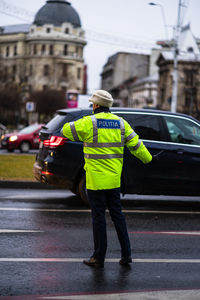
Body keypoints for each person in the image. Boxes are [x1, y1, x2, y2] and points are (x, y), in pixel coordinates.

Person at [61, 90, 152, 268]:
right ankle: (126, 255)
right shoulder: (121, 123)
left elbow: (66, 131)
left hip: (95, 182)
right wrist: (148, 158)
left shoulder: (89, 122)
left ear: (95, 105)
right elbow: (136, 144)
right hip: (114, 182)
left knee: (99, 218)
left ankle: (98, 257)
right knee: (118, 216)